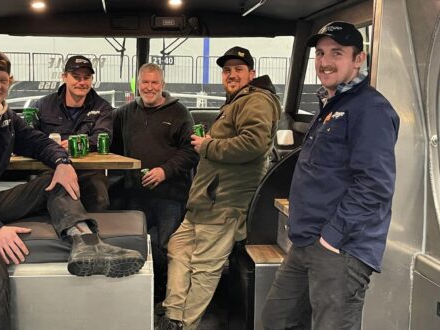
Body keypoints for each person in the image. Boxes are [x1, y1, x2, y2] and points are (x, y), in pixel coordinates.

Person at [0, 49, 145, 330]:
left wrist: (61, 161)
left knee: (53, 181)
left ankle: (86, 244)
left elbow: (37, 141)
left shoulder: (2, 116)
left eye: (3, 79)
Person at [261, 22, 400, 330]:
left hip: (340, 247)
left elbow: (374, 185)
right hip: (307, 240)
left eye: (337, 53)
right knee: (276, 320)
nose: (324, 62)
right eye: (320, 53)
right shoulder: (331, 103)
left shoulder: (370, 109)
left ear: (358, 59)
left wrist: (332, 238)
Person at [156, 46, 282, 330]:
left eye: (238, 69)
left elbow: (254, 144)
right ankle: (173, 316)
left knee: (205, 267)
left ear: (251, 73)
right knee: (178, 247)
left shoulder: (256, 100)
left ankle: (185, 324)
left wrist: (207, 146)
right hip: (205, 200)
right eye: (227, 70)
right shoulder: (236, 101)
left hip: (225, 201)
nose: (232, 75)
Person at [113, 63, 199, 303]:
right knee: (133, 244)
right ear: (137, 84)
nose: (149, 88)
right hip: (134, 194)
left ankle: (163, 299)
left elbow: (191, 152)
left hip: (170, 195)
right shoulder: (124, 113)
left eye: (154, 83)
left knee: (167, 248)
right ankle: (136, 297)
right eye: (145, 82)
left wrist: (165, 170)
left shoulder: (180, 113)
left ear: (163, 85)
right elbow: (111, 145)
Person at [35, 55, 112, 211]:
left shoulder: (103, 106)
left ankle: (94, 234)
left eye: (86, 77)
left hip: (90, 171)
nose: (82, 82)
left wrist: (76, 144)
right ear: (64, 77)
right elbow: (31, 138)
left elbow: (103, 137)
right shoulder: (43, 105)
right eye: (76, 77)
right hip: (52, 168)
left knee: (100, 200)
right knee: (57, 199)